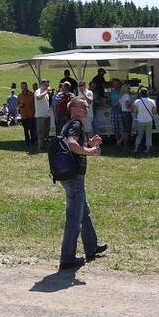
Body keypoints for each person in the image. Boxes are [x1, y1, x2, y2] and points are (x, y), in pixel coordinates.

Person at [57, 97, 108, 270]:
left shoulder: (69, 124)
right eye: (83, 106)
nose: (87, 108)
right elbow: (72, 145)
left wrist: (88, 144)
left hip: (70, 175)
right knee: (74, 218)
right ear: (74, 109)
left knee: (83, 213)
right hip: (74, 177)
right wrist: (91, 151)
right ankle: (67, 258)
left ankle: (91, 247)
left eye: (87, 106)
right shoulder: (76, 124)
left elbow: (75, 146)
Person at [131, 88, 157, 156]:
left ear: (140, 94)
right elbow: (154, 112)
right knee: (148, 135)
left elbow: (134, 111)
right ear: (147, 93)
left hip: (140, 120)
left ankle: (136, 149)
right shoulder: (152, 101)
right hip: (149, 120)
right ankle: (147, 149)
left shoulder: (137, 101)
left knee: (139, 135)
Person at [34, 80, 52, 151]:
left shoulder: (46, 93)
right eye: (46, 85)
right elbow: (38, 97)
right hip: (40, 116)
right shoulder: (38, 91)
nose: (47, 87)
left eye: (48, 85)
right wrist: (46, 92)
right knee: (41, 132)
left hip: (47, 115)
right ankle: (40, 147)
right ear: (41, 84)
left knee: (46, 133)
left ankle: (45, 146)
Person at [17, 81, 35, 147]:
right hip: (24, 116)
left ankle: (33, 142)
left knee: (32, 130)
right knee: (25, 130)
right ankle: (27, 143)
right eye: (22, 87)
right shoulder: (19, 96)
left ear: (27, 87)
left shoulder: (31, 94)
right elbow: (17, 104)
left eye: (24, 86)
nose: (23, 88)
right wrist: (20, 105)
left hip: (31, 115)